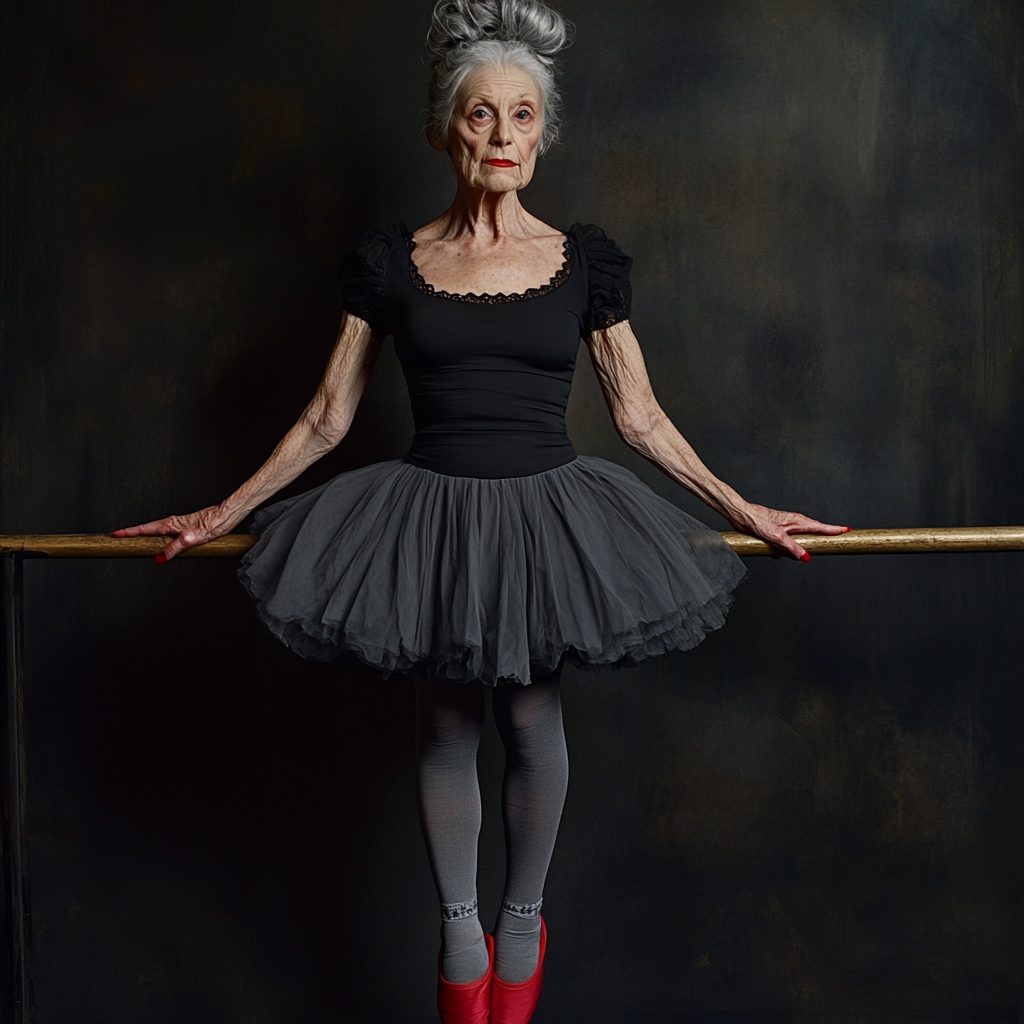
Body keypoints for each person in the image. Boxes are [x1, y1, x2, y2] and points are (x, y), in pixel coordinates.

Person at [114, 1, 847, 1021]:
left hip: (548, 512)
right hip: (429, 514)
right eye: (480, 116)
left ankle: (520, 917)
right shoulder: (391, 260)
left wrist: (744, 505)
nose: (502, 137)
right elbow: (329, 417)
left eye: (521, 116)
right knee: (444, 720)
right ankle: (459, 931)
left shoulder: (584, 260)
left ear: (543, 132)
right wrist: (220, 508)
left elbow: (636, 417)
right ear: (442, 128)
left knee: (534, 714)